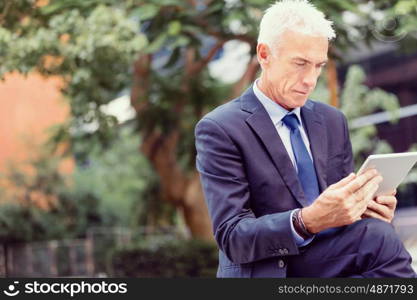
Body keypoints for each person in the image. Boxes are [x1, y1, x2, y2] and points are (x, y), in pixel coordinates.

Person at [194, 0, 416, 277]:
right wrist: (306, 221)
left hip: (331, 257)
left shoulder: (332, 121)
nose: (310, 79)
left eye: (318, 65)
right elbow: (232, 237)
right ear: (264, 55)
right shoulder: (220, 128)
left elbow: (341, 208)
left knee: (379, 234)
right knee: (382, 245)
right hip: (271, 266)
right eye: (300, 64)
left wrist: (363, 207)